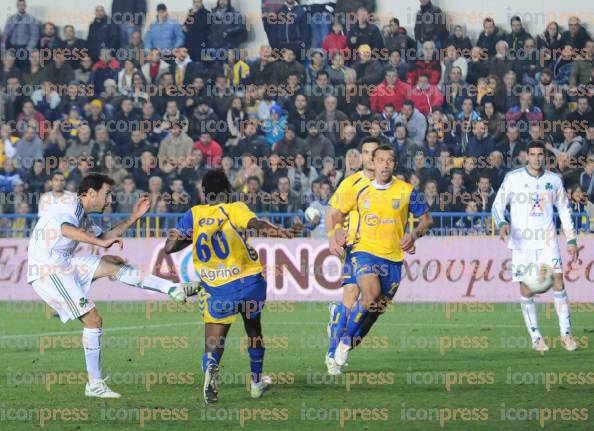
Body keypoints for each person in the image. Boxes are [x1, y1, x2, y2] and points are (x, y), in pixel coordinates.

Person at [27, 173, 194, 398]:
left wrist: (133, 217)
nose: (109, 200)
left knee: (113, 264)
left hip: (64, 264)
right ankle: (94, 385)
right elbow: (65, 229)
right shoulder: (69, 207)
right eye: (107, 194)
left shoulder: (82, 214)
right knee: (93, 319)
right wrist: (99, 242)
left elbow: (106, 236)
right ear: (91, 193)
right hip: (48, 270)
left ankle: (173, 289)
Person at [164, 169, 302, 403]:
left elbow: (169, 246)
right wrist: (281, 232)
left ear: (203, 192)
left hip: (218, 289)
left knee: (214, 342)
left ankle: (211, 366)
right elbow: (256, 224)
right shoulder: (234, 208)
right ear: (227, 191)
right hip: (249, 283)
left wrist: (196, 234)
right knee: (254, 330)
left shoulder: (194, 214)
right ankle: (256, 382)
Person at [328, 144, 432, 367]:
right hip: (363, 251)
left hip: (393, 259)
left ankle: (347, 339)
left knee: (375, 310)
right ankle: (342, 344)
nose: (385, 164)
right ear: (372, 164)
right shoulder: (358, 189)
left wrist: (413, 236)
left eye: (390, 160)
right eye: (381, 160)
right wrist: (337, 231)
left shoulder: (406, 191)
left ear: (394, 164)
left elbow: (426, 219)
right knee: (370, 293)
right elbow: (337, 213)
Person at [492, 141, 579, 352]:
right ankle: (536, 337)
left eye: (541, 155)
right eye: (533, 154)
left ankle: (566, 334)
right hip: (522, 242)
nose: (537, 158)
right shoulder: (513, 179)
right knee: (527, 289)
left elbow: (565, 211)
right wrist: (502, 224)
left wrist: (571, 239)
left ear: (545, 157)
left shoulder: (554, 180)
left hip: (548, 240)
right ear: (526, 156)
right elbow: (497, 206)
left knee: (558, 281)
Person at [324, 136, 378, 374]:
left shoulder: (392, 186)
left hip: (382, 254)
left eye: (374, 153)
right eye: (365, 153)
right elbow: (333, 214)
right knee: (351, 295)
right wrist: (333, 236)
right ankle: (332, 355)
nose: (369, 157)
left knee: (370, 308)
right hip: (356, 249)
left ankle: (340, 330)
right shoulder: (351, 183)